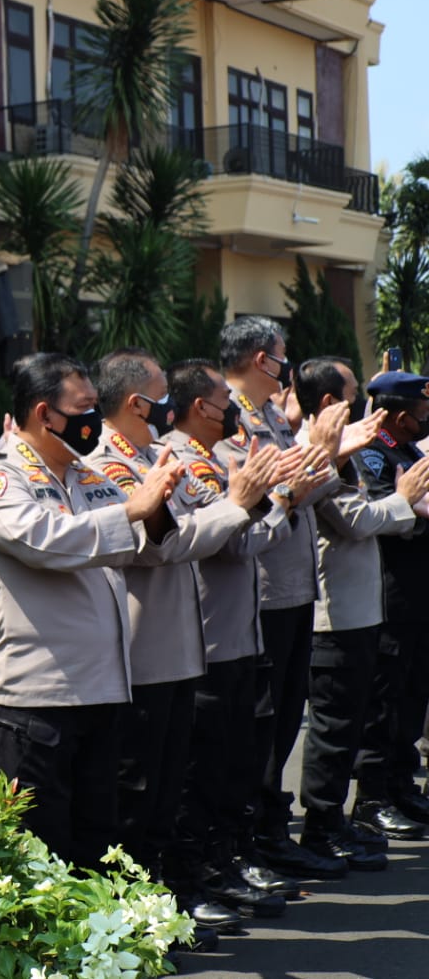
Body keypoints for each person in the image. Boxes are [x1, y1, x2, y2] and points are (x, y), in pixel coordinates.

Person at [0, 353, 182, 870]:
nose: (92, 421)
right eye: (82, 409)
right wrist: (131, 511)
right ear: (44, 414)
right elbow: (45, 541)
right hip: (30, 702)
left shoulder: (88, 477)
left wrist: (158, 499)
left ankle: (98, 949)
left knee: (95, 844)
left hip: (98, 692)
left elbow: (142, 547)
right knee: (35, 853)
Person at [88, 349, 283, 932]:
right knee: (140, 789)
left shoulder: (158, 456)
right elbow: (168, 542)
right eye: (158, 396)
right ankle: (135, 912)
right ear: (136, 402)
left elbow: (205, 517)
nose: (166, 407)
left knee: (172, 787)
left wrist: (241, 503)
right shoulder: (110, 464)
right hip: (144, 652)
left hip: (181, 647)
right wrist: (239, 504)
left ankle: (174, 892)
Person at [161, 360, 330, 919]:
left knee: (235, 760)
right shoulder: (185, 462)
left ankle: (224, 859)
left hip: (239, 634)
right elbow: (234, 544)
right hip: (208, 640)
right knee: (203, 768)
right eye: (220, 403)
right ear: (194, 409)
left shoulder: (213, 461)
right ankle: (194, 874)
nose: (231, 412)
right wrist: (279, 501)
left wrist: (279, 497)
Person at [215, 316, 349, 879]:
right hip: (261, 590)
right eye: (279, 355)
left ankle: (272, 827)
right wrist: (315, 455)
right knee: (258, 726)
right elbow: (252, 495)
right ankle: (250, 835)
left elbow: (310, 489)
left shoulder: (272, 413)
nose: (285, 365)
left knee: (285, 717)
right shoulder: (226, 417)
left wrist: (329, 454)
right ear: (256, 359)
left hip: (294, 586)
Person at [294, 358, 424, 870]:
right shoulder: (318, 454)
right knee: (338, 724)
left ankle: (340, 818)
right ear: (330, 404)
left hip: (365, 603)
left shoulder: (341, 452)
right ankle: (330, 821)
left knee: (362, 714)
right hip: (338, 608)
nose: (362, 408)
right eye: (352, 396)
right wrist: (407, 502)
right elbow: (355, 518)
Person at [351, 371, 429, 839]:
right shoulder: (372, 453)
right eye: (422, 415)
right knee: (383, 701)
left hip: (418, 596)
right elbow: (388, 514)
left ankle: (401, 785)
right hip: (390, 596)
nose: (426, 422)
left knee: (412, 695)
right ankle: (371, 799)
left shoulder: (407, 450)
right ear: (400, 417)